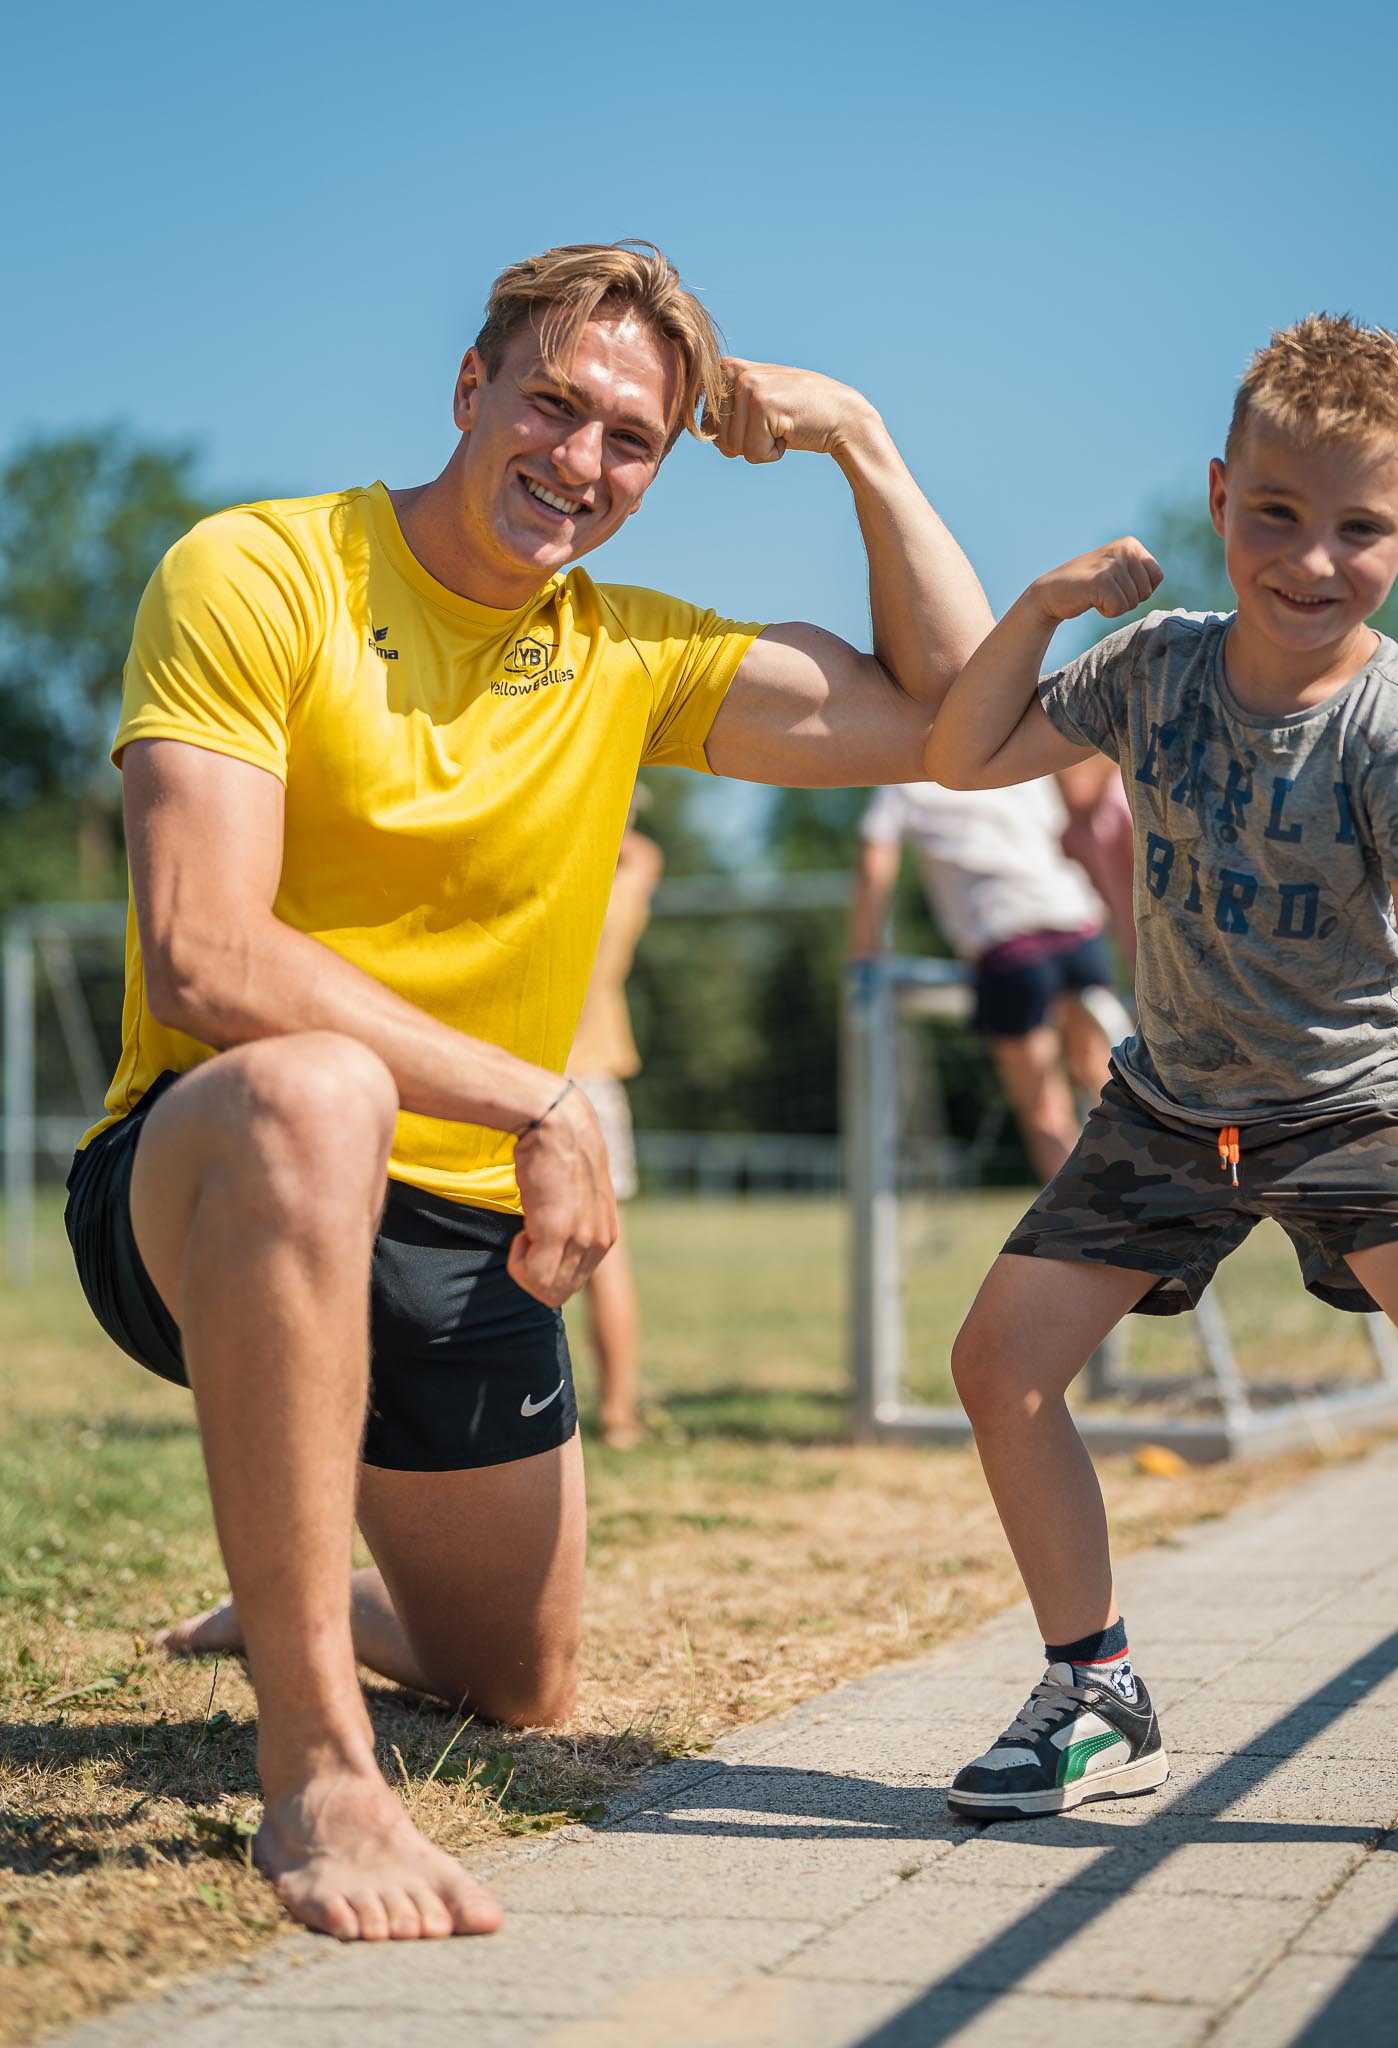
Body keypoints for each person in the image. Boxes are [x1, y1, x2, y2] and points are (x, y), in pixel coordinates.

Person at [62, 241, 992, 1942]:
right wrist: (535, 1095)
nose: (581, 458)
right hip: (206, 1176)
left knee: (524, 1680)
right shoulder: (256, 570)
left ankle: (309, 1602)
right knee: (317, 1092)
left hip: (457, 1228)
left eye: (631, 437)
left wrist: (860, 437)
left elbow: (960, 727)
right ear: (469, 387)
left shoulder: (630, 654)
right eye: (552, 401)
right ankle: (318, 1756)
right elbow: (203, 948)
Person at [923, 315, 1398, 1882]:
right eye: (1274, 516)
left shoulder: (1395, 729)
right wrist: (1039, 604)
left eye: (1357, 528)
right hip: (1170, 1104)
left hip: (1350, 1108)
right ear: (1218, 497)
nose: (1310, 559)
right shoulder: (1150, 672)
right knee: (997, 1363)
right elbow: (963, 753)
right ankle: (1093, 1688)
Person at [848, 771, 1131, 1180]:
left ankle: (1088, 1229)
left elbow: (873, 865)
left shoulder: (903, 779)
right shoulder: (1008, 755)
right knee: (1104, 1088)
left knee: (1045, 1113)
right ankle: (1142, 1202)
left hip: (1010, 942)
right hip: (1078, 929)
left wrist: (864, 953)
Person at [566, 820, 662, 1447]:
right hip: (592, 1079)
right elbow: (643, 852)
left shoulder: (549, 878)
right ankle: (619, 1412)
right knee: (608, 1255)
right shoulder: (618, 892)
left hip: (506, 1068)